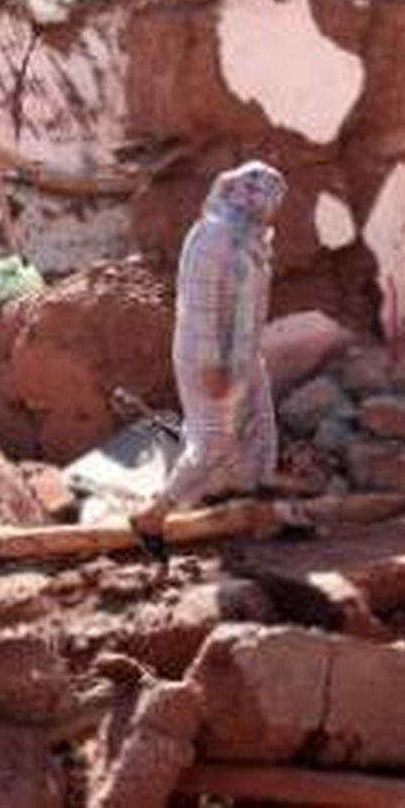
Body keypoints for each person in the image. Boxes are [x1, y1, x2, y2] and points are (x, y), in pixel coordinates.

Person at [131, 161, 286, 536]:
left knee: (259, 426)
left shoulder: (251, 239)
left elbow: (248, 304)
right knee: (213, 442)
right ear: (242, 195)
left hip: (241, 353)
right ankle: (155, 514)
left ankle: (243, 503)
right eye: (265, 197)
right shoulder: (212, 239)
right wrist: (212, 367)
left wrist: (247, 360)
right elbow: (201, 309)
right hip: (208, 356)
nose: (270, 206)